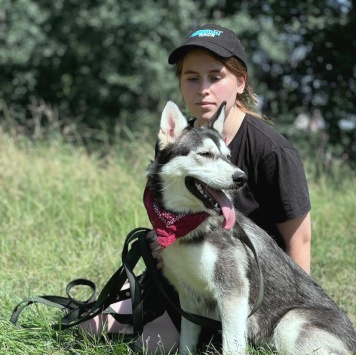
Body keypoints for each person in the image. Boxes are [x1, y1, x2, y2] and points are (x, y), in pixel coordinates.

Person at [81, 23, 312, 352]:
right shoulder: (179, 139)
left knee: (152, 345)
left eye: (215, 77)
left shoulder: (272, 151)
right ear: (180, 83)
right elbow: (171, 207)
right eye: (192, 78)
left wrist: (287, 310)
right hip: (181, 278)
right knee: (90, 325)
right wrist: (159, 239)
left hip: (243, 290)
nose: (203, 89)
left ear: (240, 82)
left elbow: (299, 240)